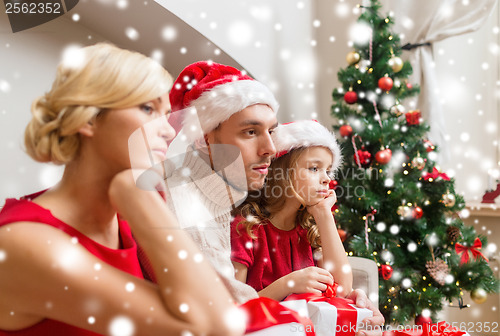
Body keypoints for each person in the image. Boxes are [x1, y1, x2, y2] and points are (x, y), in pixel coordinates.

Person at [0, 43, 242, 336]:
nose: (168, 131)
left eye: (166, 114)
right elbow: (217, 328)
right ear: (88, 117)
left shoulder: (121, 221)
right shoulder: (25, 243)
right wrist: (140, 195)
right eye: (147, 108)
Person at [168, 62, 385, 334]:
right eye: (314, 168)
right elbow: (232, 310)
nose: (270, 148)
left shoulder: (306, 231)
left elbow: (340, 288)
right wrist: (288, 286)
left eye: (271, 132)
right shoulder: (243, 227)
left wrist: (323, 214)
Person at [165, 61, 280, 304]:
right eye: (250, 132)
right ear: (204, 139)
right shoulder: (186, 206)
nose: (270, 149)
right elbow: (228, 313)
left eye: (271, 132)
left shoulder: (223, 198)